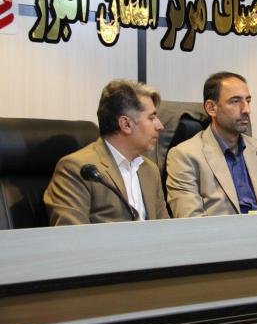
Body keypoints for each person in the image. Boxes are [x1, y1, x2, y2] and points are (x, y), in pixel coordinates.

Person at [44, 80, 170, 225]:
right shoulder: (78, 169)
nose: (160, 126)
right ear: (126, 124)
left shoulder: (150, 170)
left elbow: (165, 229)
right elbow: (72, 235)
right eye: (152, 118)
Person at [166, 71, 257, 217]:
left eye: (248, 101)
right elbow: (192, 221)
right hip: (221, 232)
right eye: (235, 101)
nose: (247, 110)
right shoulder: (184, 156)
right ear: (211, 108)